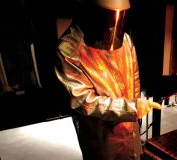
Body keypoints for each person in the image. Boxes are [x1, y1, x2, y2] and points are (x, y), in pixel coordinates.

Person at [54, 0, 161, 159]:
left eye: (118, 16)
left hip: (130, 127)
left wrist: (136, 106)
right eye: (109, 16)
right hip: (101, 135)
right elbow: (84, 101)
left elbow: (134, 77)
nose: (113, 25)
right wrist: (131, 108)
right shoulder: (69, 49)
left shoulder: (124, 40)